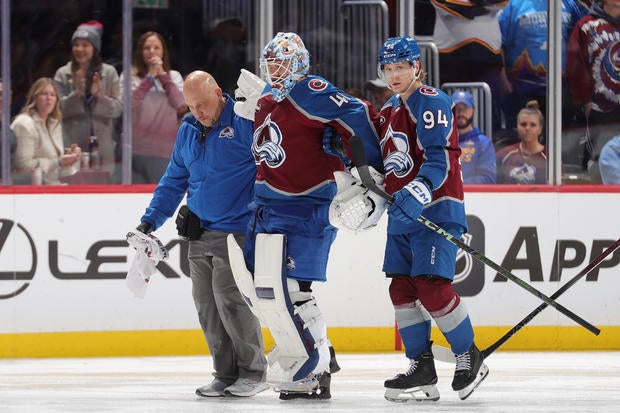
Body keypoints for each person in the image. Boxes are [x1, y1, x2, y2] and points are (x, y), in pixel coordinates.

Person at [237, 32, 383, 400]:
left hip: (307, 206)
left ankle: (313, 367)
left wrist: (363, 163)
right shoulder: (267, 99)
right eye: (271, 63)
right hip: (267, 205)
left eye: (283, 63)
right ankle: (318, 352)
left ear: (300, 64)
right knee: (260, 290)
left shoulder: (310, 90)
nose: (276, 70)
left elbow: (358, 112)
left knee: (292, 289)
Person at [130, 71, 268, 398]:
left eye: (203, 104)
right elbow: (174, 180)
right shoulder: (188, 130)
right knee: (206, 305)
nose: (198, 112)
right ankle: (225, 373)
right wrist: (149, 222)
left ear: (219, 93)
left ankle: (253, 371)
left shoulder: (246, 122)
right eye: (191, 106)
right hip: (199, 233)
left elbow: (272, 167)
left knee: (231, 300)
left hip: (236, 232)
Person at [375, 35, 487, 402]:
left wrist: (416, 192)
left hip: (436, 206)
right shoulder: (390, 109)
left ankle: (469, 354)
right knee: (401, 289)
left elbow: (438, 160)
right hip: (403, 215)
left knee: (431, 284)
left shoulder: (431, 101)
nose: (394, 74)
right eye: (388, 68)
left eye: (401, 67)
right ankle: (421, 367)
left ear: (416, 67)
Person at [499, 0, 587, 130]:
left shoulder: (570, 4)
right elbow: (499, 45)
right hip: (522, 90)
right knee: (523, 140)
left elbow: (586, 36)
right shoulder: (513, 5)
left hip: (561, 90)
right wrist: (503, 80)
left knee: (562, 140)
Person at [53, 20, 122, 178]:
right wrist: (77, 93)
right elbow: (57, 110)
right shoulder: (62, 73)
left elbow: (118, 109)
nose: (80, 49)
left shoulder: (109, 72)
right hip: (72, 145)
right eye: (76, 45)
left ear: (94, 48)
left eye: (85, 45)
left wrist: (99, 96)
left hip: (103, 146)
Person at [430, 0, 509, 132]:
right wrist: (483, 5)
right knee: (448, 113)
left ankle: (488, 149)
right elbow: (446, 3)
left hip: (488, 55)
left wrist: (473, 6)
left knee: (488, 112)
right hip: (450, 56)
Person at [120, 31, 186, 184]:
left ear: (163, 52)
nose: (152, 51)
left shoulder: (174, 76)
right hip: (136, 149)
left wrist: (162, 75)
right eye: (147, 48)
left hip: (165, 149)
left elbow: (181, 105)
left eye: (156, 47)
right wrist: (149, 78)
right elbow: (128, 105)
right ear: (140, 51)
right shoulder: (129, 75)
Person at [566, 0, 620, 181]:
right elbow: (576, 65)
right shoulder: (586, 25)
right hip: (600, 110)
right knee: (599, 161)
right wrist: (585, 101)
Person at [11, 78, 81, 185]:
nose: (49, 98)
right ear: (35, 98)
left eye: (53, 95)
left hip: (53, 185)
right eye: (44, 94)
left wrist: (71, 160)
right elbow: (23, 166)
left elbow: (57, 171)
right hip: (31, 190)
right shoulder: (24, 124)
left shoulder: (55, 124)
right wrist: (58, 162)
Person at [496, 100, 547, 184]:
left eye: (533, 125)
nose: (527, 128)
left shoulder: (550, 159)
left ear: (540, 129)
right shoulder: (503, 155)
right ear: (517, 127)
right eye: (523, 124)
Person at [451, 90, 497, 184]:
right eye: (457, 108)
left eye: (465, 108)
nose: (461, 113)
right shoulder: (442, 141)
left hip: (474, 197)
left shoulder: (484, 143)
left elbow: (488, 179)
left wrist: (457, 185)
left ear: (474, 110)